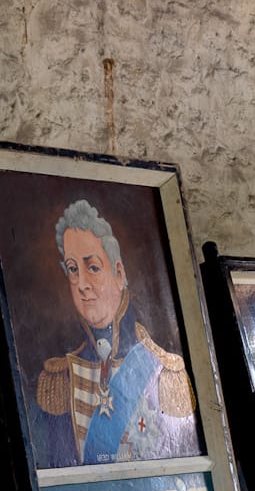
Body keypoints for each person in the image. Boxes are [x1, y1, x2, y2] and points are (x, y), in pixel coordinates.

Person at [33, 199, 198, 468]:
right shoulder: (59, 378)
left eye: (93, 267)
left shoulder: (167, 372)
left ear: (119, 274)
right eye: (73, 270)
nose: (82, 284)